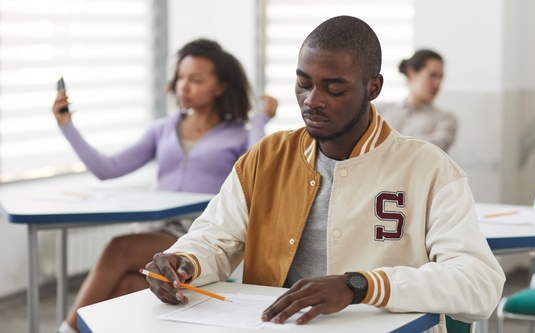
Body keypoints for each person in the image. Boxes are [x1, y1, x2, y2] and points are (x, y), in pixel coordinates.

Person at [145, 16, 504, 333]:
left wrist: (359, 286)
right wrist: (185, 261)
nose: (312, 100)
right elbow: (214, 240)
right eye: (303, 83)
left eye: (334, 88)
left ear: (373, 88)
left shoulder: (428, 167)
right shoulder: (267, 157)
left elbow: (481, 283)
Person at [53, 39, 277, 333]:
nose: (183, 86)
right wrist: (67, 126)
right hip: (154, 230)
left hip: (195, 234)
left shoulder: (239, 136)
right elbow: (107, 169)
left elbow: (262, 173)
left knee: (118, 247)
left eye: (196, 79)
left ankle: (65, 330)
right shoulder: (163, 129)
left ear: (220, 87)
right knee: (129, 286)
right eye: (181, 77)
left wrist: (260, 120)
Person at [376, 49, 457, 151]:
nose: (438, 83)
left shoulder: (446, 119)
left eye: (441, 77)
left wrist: (385, 140)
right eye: (432, 75)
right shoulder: (379, 111)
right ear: (411, 74)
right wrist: (424, 138)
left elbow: (433, 149)